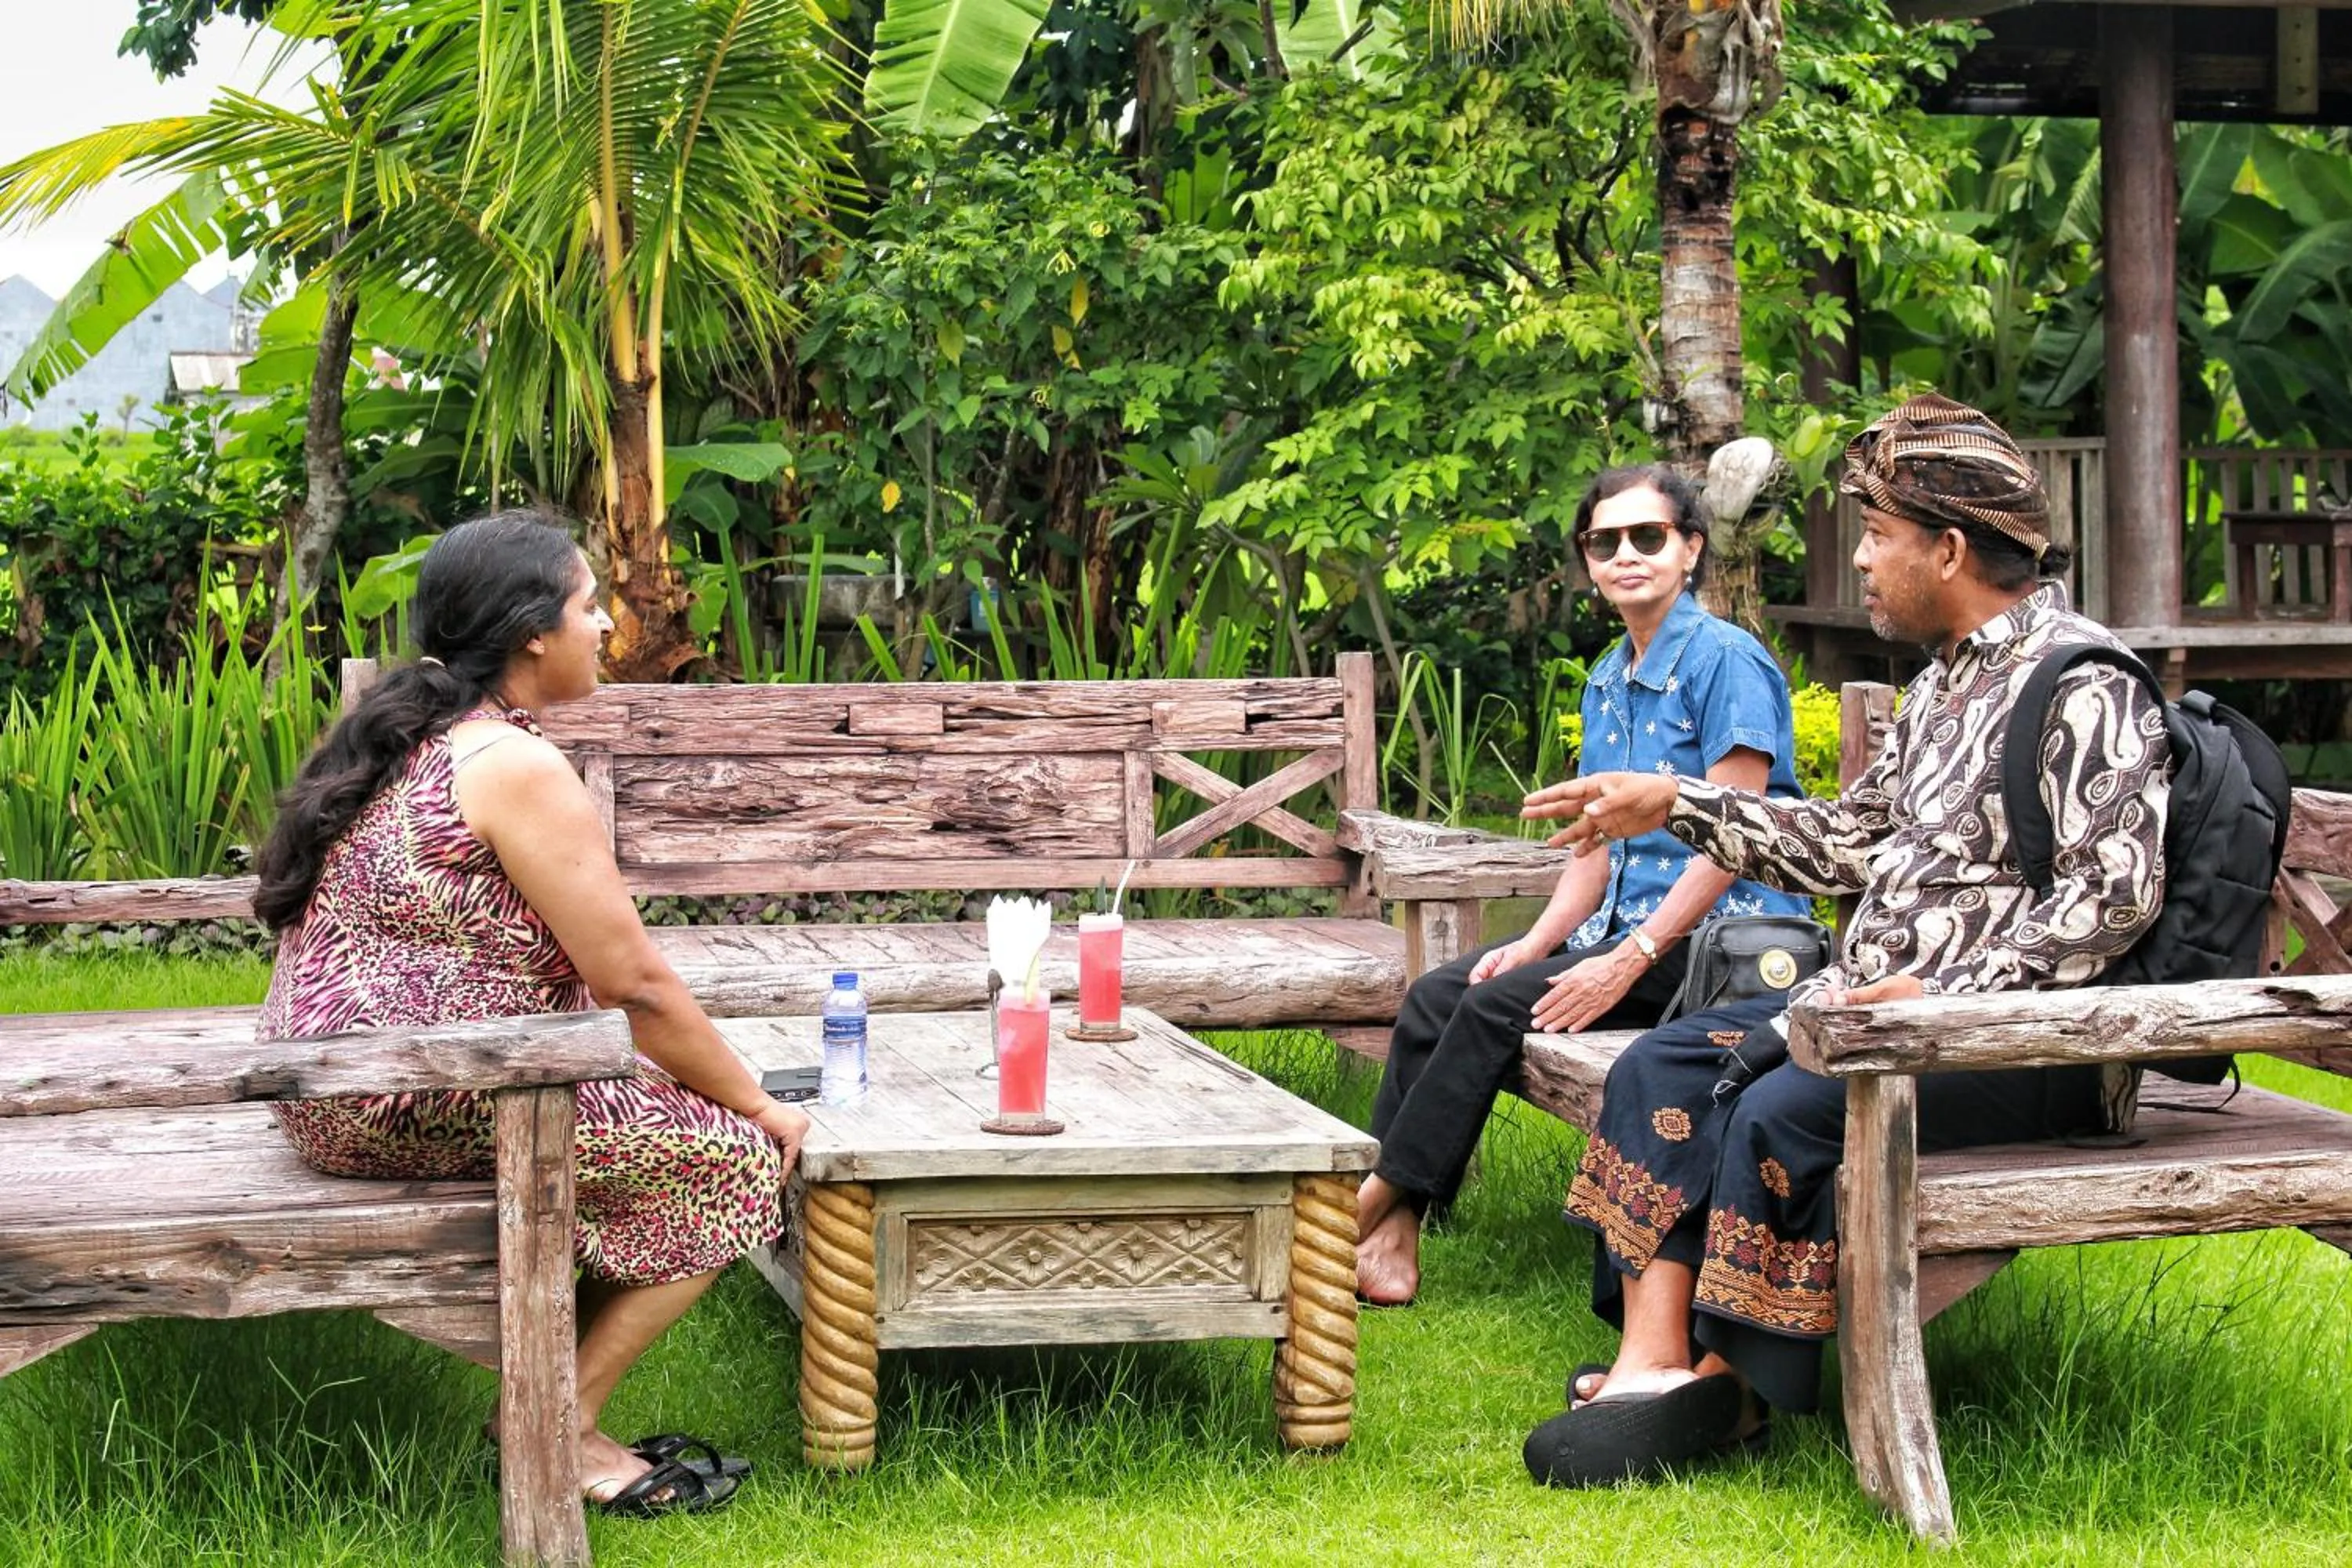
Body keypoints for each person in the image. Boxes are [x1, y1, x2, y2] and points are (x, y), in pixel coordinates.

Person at [1515, 393, 2171, 1487]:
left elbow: (2114, 897)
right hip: (1871, 1017)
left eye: (1877, 535)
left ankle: (1732, 1387)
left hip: (2023, 1046)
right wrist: (1671, 801)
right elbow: (1844, 843)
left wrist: (1951, 997)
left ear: (1950, 548)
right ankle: (1654, 1363)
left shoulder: (2084, 682)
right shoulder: (1946, 687)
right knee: (1669, 1059)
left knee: (1778, 1106)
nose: (1861, 560)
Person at [254, 512, 805, 1517]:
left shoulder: (421, 736)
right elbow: (632, 984)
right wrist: (760, 1106)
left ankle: (549, 1400)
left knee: (655, 1114)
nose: (609, 627)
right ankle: (550, 1425)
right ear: (532, 633)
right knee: (731, 1160)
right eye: (589, 605)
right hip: (418, 1092)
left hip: (343, 1083)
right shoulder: (512, 764)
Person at [1355, 466, 1812, 1306]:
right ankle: (1397, 1223)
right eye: (1605, 541)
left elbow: (1735, 840)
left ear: (1690, 549)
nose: (1626, 554)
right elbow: (1592, 852)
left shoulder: (1727, 663)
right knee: (1444, 992)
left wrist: (1630, 957)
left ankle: (1373, 1199)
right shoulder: (1608, 676)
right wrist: (1532, 942)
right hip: (1628, 927)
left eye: (1649, 536)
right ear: (1588, 560)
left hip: (1725, 941)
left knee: (1493, 1007)